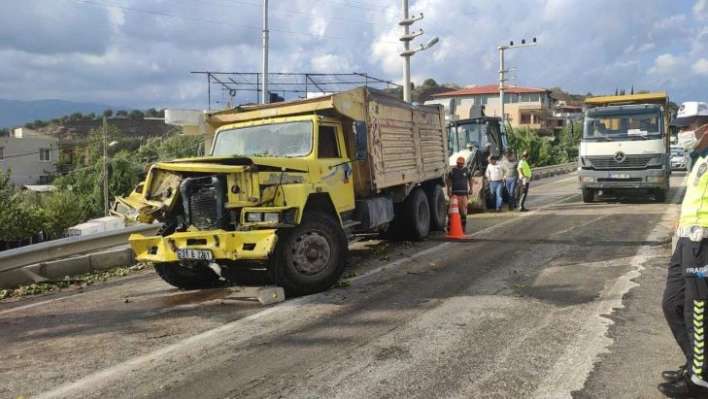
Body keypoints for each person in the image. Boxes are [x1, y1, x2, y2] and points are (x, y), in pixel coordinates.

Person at [659, 101, 708, 398]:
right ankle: (696, 365)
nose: (683, 133)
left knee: (698, 310)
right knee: (672, 304)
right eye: (680, 128)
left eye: (688, 127)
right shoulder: (698, 158)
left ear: (705, 127)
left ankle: (700, 382)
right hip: (686, 242)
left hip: (704, 244)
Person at [446, 156, 473, 232]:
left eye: (461, 163)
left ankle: (463, 226)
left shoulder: (467, 170)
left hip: (464, 194)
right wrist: (448, 190)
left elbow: (470, 179)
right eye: (458, 163)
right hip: (454, 195)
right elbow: (449, 180)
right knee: (451, 211)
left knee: (463, 212)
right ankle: (450, 227)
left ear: (463, 163)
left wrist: (471, 188)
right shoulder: (453, 170)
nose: (459, 164)